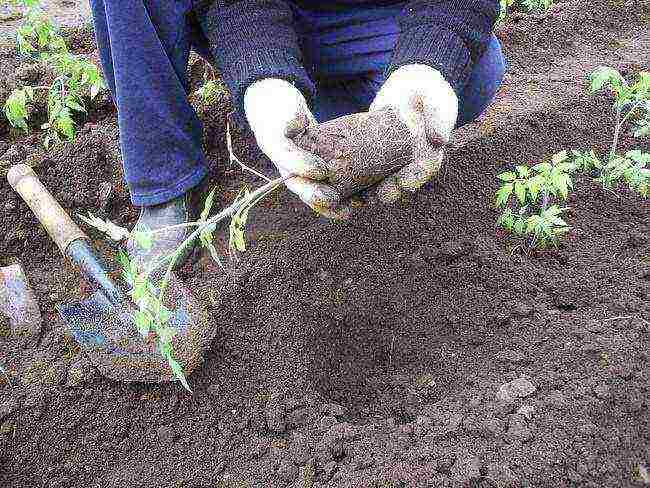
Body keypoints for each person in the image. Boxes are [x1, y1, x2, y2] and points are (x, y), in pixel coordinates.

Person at [89, 0, 505, 268]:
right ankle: (168, 182)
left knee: (466, 76)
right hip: (257, 13)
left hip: (373, 15)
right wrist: (264, 80)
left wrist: (428, 69)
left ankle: (349, 93)